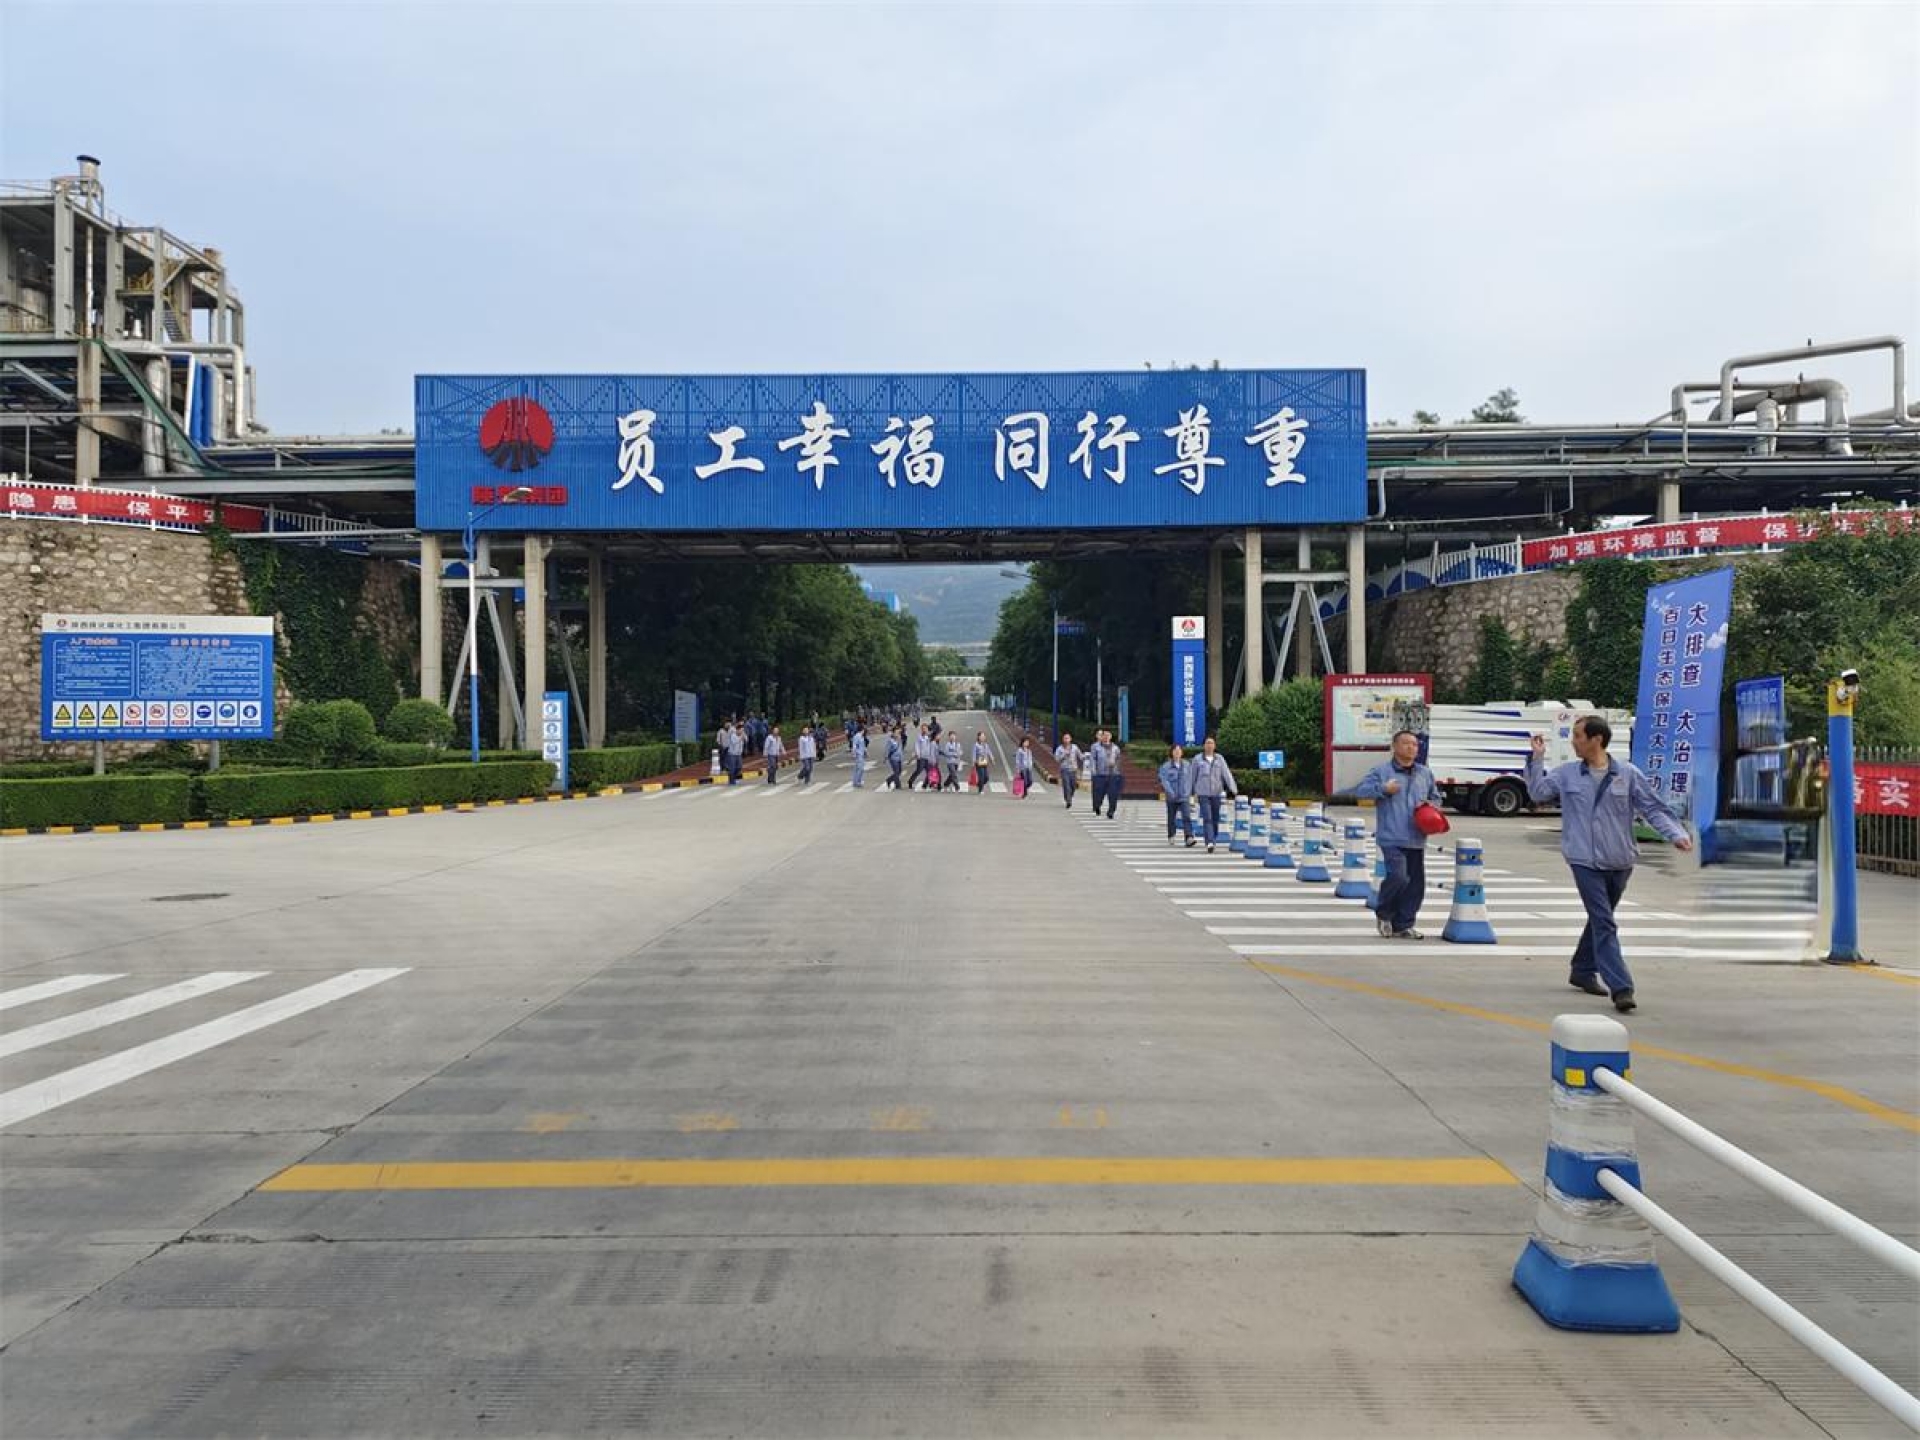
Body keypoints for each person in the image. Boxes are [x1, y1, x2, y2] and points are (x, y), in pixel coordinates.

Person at [1526, 716, 1691, 1013]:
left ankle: (1582, 969)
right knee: (1604, 921)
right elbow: (1538, 793)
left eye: (1578, 736)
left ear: (1597, 739)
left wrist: (1676, 834)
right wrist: (1536, 759)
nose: (1573, 741)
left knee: (1600, 919)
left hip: (1620, 859)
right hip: (1583, 859)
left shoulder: (1627, 774)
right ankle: (1622, 987)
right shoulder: (1567, 774)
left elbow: (1652, 808)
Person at [1354, 729, 1439, 940]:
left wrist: (1431, 805)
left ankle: (1404, 925)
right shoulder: (1382, 771)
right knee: (1399, 877)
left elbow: (1436, 798)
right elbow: (1362, 791)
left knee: (1415, 885)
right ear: (1395, 746)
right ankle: (1384, 913)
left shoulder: (1425, 773)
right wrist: (1383, 789)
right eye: (1406, 743)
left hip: (1417, 837)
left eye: (1415, 744)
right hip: (1391, 836)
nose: (1412, 748)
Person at [1188, 736, 1237, 852]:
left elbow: (1226, 774)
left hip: (1216, 793)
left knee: (1215, 819)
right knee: (1207, 818)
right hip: (1203, 793)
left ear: (1215, 746)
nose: (1209, 745)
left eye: (1211, 743)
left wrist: (1234, 789)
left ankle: (1212, 838)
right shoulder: (1197, 759)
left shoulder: (1220, 759)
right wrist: (1190, 793)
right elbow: (1192, 776)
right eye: (1207, 743)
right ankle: (1209, 842)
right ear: (1204, 745)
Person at [1159, 744, 1195, 847]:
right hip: (1172, 797)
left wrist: (1188, 792)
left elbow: (1190, 779)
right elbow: (1164, 781)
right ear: (1171, 752)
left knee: (1186, 816)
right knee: (1171, 817)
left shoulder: (1187, 765)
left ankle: (1189, 837)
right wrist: (1170, 792)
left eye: (1179, 750)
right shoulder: (1166, 766)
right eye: (1175, 750)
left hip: (1184, 796)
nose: (1177, 752)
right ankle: (1171, 835)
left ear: (1182, 753)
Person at [1089, 729, 1122, 819]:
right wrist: (1094, 772)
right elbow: (1093, 759)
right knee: (1099, 794)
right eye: (1105, 735)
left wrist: (1116, 766)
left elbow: (1119, 759)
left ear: (1110, 737)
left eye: (1108, 735)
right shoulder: (1096, 747)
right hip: (1100, 774)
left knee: (1113, 794)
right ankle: (1097, 806)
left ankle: (1111, 811)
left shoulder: (1115, 748)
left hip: (1113, 774)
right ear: (1102, 737)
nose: (1106, 737)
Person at [1054, 732, 1084, 809]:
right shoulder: (1059, 748)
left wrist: (1086, 757)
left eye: (1067, 738)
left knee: (1073, 786)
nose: (1066, 740)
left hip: (1073, 769)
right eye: (1065, 738)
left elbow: (1080, 756)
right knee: (1066, 785)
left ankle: (1069, 796)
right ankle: (1068, 801)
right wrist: (1064, 755)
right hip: (1064, 769)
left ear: (1070, 739)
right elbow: (1056, 759)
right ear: (1063, 739)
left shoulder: (1075, 747)